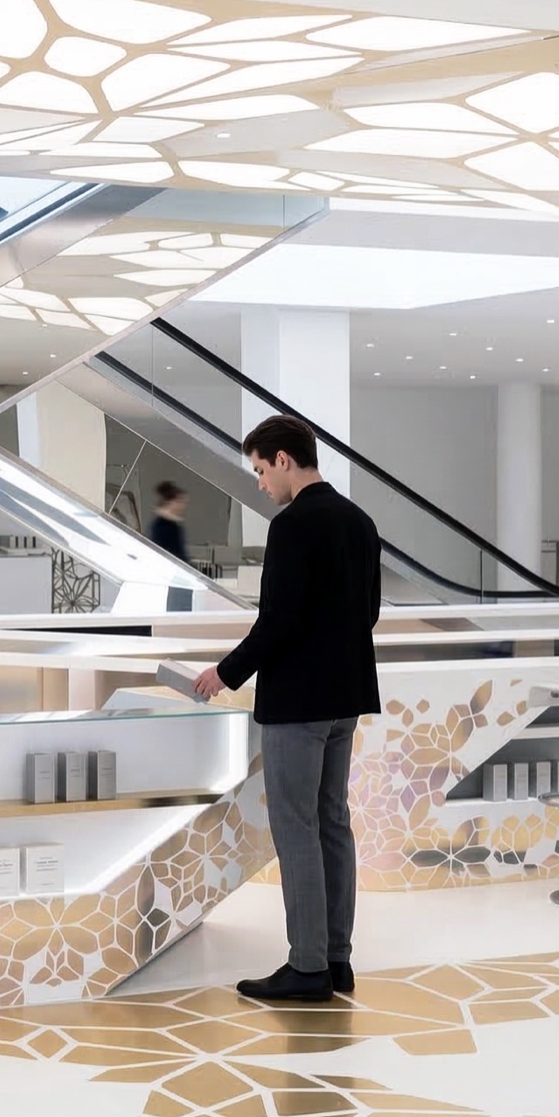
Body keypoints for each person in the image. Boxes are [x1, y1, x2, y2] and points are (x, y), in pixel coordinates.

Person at [193, 415, 381, 1004]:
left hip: (298, 702)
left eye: (259, 469)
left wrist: (224, 673)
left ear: (282, 459)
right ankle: (335, 960)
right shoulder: (360, 521)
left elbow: (277, 620)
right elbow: (369, 613)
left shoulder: (293, 525)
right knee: (332, 824)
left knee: (297, 829)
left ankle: (307, 968)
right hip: (346, 698)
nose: (260, 483)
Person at [149, 481, 191, 562]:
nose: (183, 506)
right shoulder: (164, 526)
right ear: (171, 502)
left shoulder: (170, 524)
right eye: (180, 501)